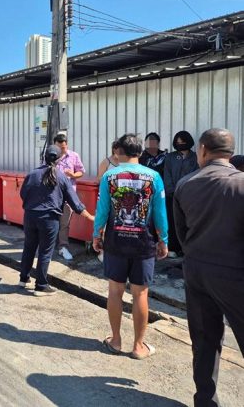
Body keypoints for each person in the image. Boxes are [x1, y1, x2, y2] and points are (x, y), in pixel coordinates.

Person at [173, 128, 244, 407]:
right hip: (235, 272)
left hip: (197, 270)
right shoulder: (240, 183)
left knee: (204, 339)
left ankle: (205, 400)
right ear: (231, 153)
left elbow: (182, 234)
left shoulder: (185, 184)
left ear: (202, 150)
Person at [93, 134, 168, 359]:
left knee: (115, 291)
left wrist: (97, 234)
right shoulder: (154, 176)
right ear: (140, 152)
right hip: (143, 243)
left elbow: (102, 210)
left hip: (116, 241)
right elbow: (160, 212)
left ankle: (116, 341)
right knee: (140, 293)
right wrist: (163, 239)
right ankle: (138, 346)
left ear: (118, 152)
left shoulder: (109, 176)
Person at [19, 145, 94, 296]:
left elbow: (23, 194)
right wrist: (90, 217)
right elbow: (75, 203)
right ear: (59, 159)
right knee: (45, 252)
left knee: (29, 247)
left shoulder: (32, 174)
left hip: (30, 216)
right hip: (49, 219)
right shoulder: (61, 177)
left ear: (44, 157)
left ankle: (23, 279)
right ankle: (41, 286)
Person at [164, 131, 199, 257]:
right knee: (173, 222)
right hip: (172, 196)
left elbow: (197, 174)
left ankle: (187, 248)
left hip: (190, 197)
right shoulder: (170, 157)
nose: (180, 144)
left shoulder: (195, 157)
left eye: (183, 142)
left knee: (188, 222)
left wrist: (189, 192)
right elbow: (167, 175)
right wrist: (171, 191)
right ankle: (173, 247)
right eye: (178, 142)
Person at [54, 134, 86, 261]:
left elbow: (81, 171)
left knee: (64, 223)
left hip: (68, 195)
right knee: (51, 222)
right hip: (53, 196)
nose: (62, 150)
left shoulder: (74, 156)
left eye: (64, 147)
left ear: (66, 144)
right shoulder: (51, 156)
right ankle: (48, 245)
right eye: (59, 147)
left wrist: (73, 175)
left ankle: (63, 247)